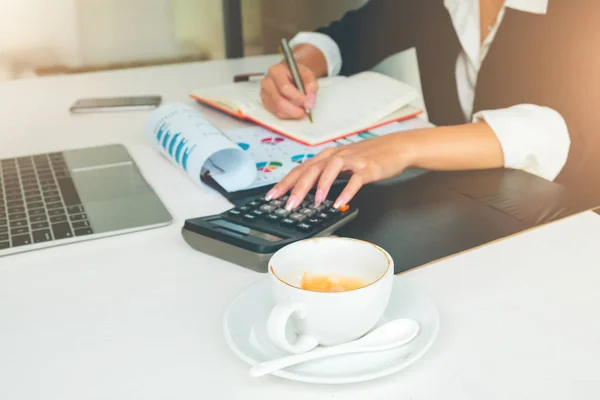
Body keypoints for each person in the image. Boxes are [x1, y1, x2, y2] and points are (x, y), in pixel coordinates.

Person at [261, 0, 600, 210]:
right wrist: (299, 67)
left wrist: (402, 147)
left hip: (570, 220)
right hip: (466, 207)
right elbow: (353, 33)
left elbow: (573, 128)